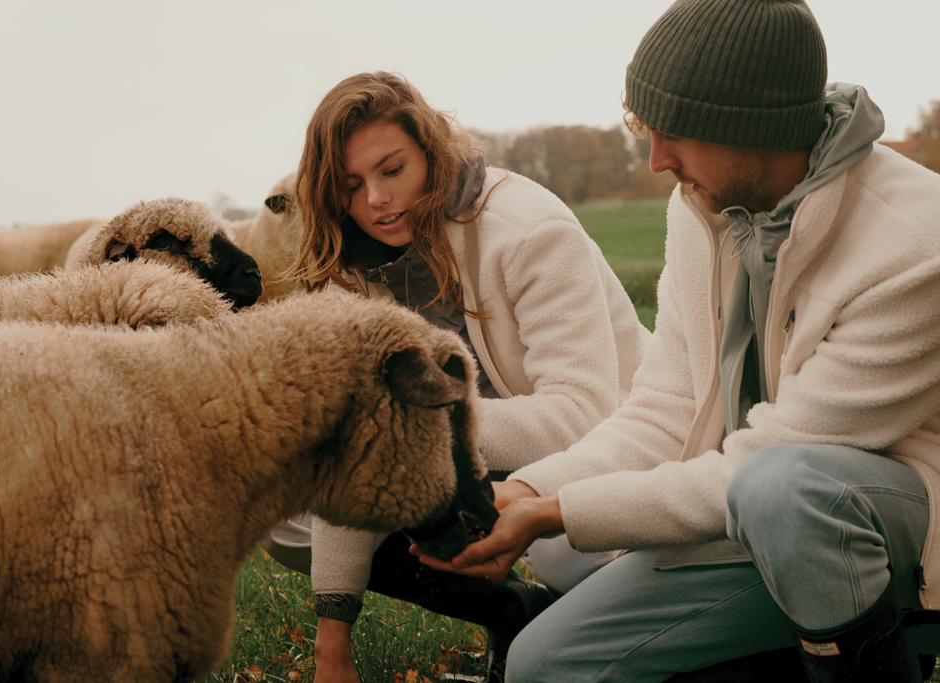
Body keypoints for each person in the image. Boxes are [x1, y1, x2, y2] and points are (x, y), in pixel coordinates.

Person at [414, 1, 940, 681]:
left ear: (751, 125)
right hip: (746, 511)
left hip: (877, 532)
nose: (658, 159)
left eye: (677, 133)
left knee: (781, 487)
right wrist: (532, 490)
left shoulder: (914, 246)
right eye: (645, 128)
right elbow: (664, 407)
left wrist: (560, 510)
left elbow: (773, 462)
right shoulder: (704, 206)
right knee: (543, 665)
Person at [260, 71, 652, 683]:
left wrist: (422, 428)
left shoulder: (528, 231)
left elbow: (584, 412)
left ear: (430, 151)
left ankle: (589, 610)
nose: (375, 202)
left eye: (392, 170)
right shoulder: (353, 272)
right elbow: (353, 442)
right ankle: (515, 612)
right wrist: (332, 639)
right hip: (477, 457)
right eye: (351, 186)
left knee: (563, 610)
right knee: (291, 515)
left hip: (613, 454)